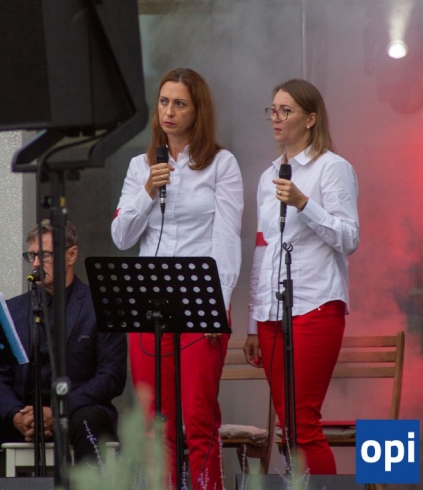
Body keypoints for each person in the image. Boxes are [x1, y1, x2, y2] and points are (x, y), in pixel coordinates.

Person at [112, 67, 243, 489]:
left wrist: (217, 306)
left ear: (197, 111)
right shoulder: (140, 166)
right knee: (155, 421)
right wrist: (147, 190)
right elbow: (121, 236)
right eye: (164, 102)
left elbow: (227, 239)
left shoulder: (221, 164)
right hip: (148, 303)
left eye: (180, 103)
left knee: (199, 418)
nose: (169, 111)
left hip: (199, 301)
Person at [244, 78, 359, 475]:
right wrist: (252, 320)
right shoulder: (268, 175)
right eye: (272, 110)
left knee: (302, 422)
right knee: (289, 427)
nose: (276, 118)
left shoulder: (333, 168)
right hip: (271, 313)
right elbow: (263, 246)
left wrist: (304, 203)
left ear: (310, 119)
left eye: (286, 110)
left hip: (315, 303)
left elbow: (349, 238)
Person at [0, 220, 127, 463]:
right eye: (32, 256)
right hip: (25, 412)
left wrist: (58, 410)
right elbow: (1, 374)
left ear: (71, 255)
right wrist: (16, 415)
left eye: (45, 255)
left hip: (79, 409)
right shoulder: (13, 311)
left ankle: (90, 482)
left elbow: (112, 376)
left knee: (88, 421)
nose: (36, 264)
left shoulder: (101, 306)